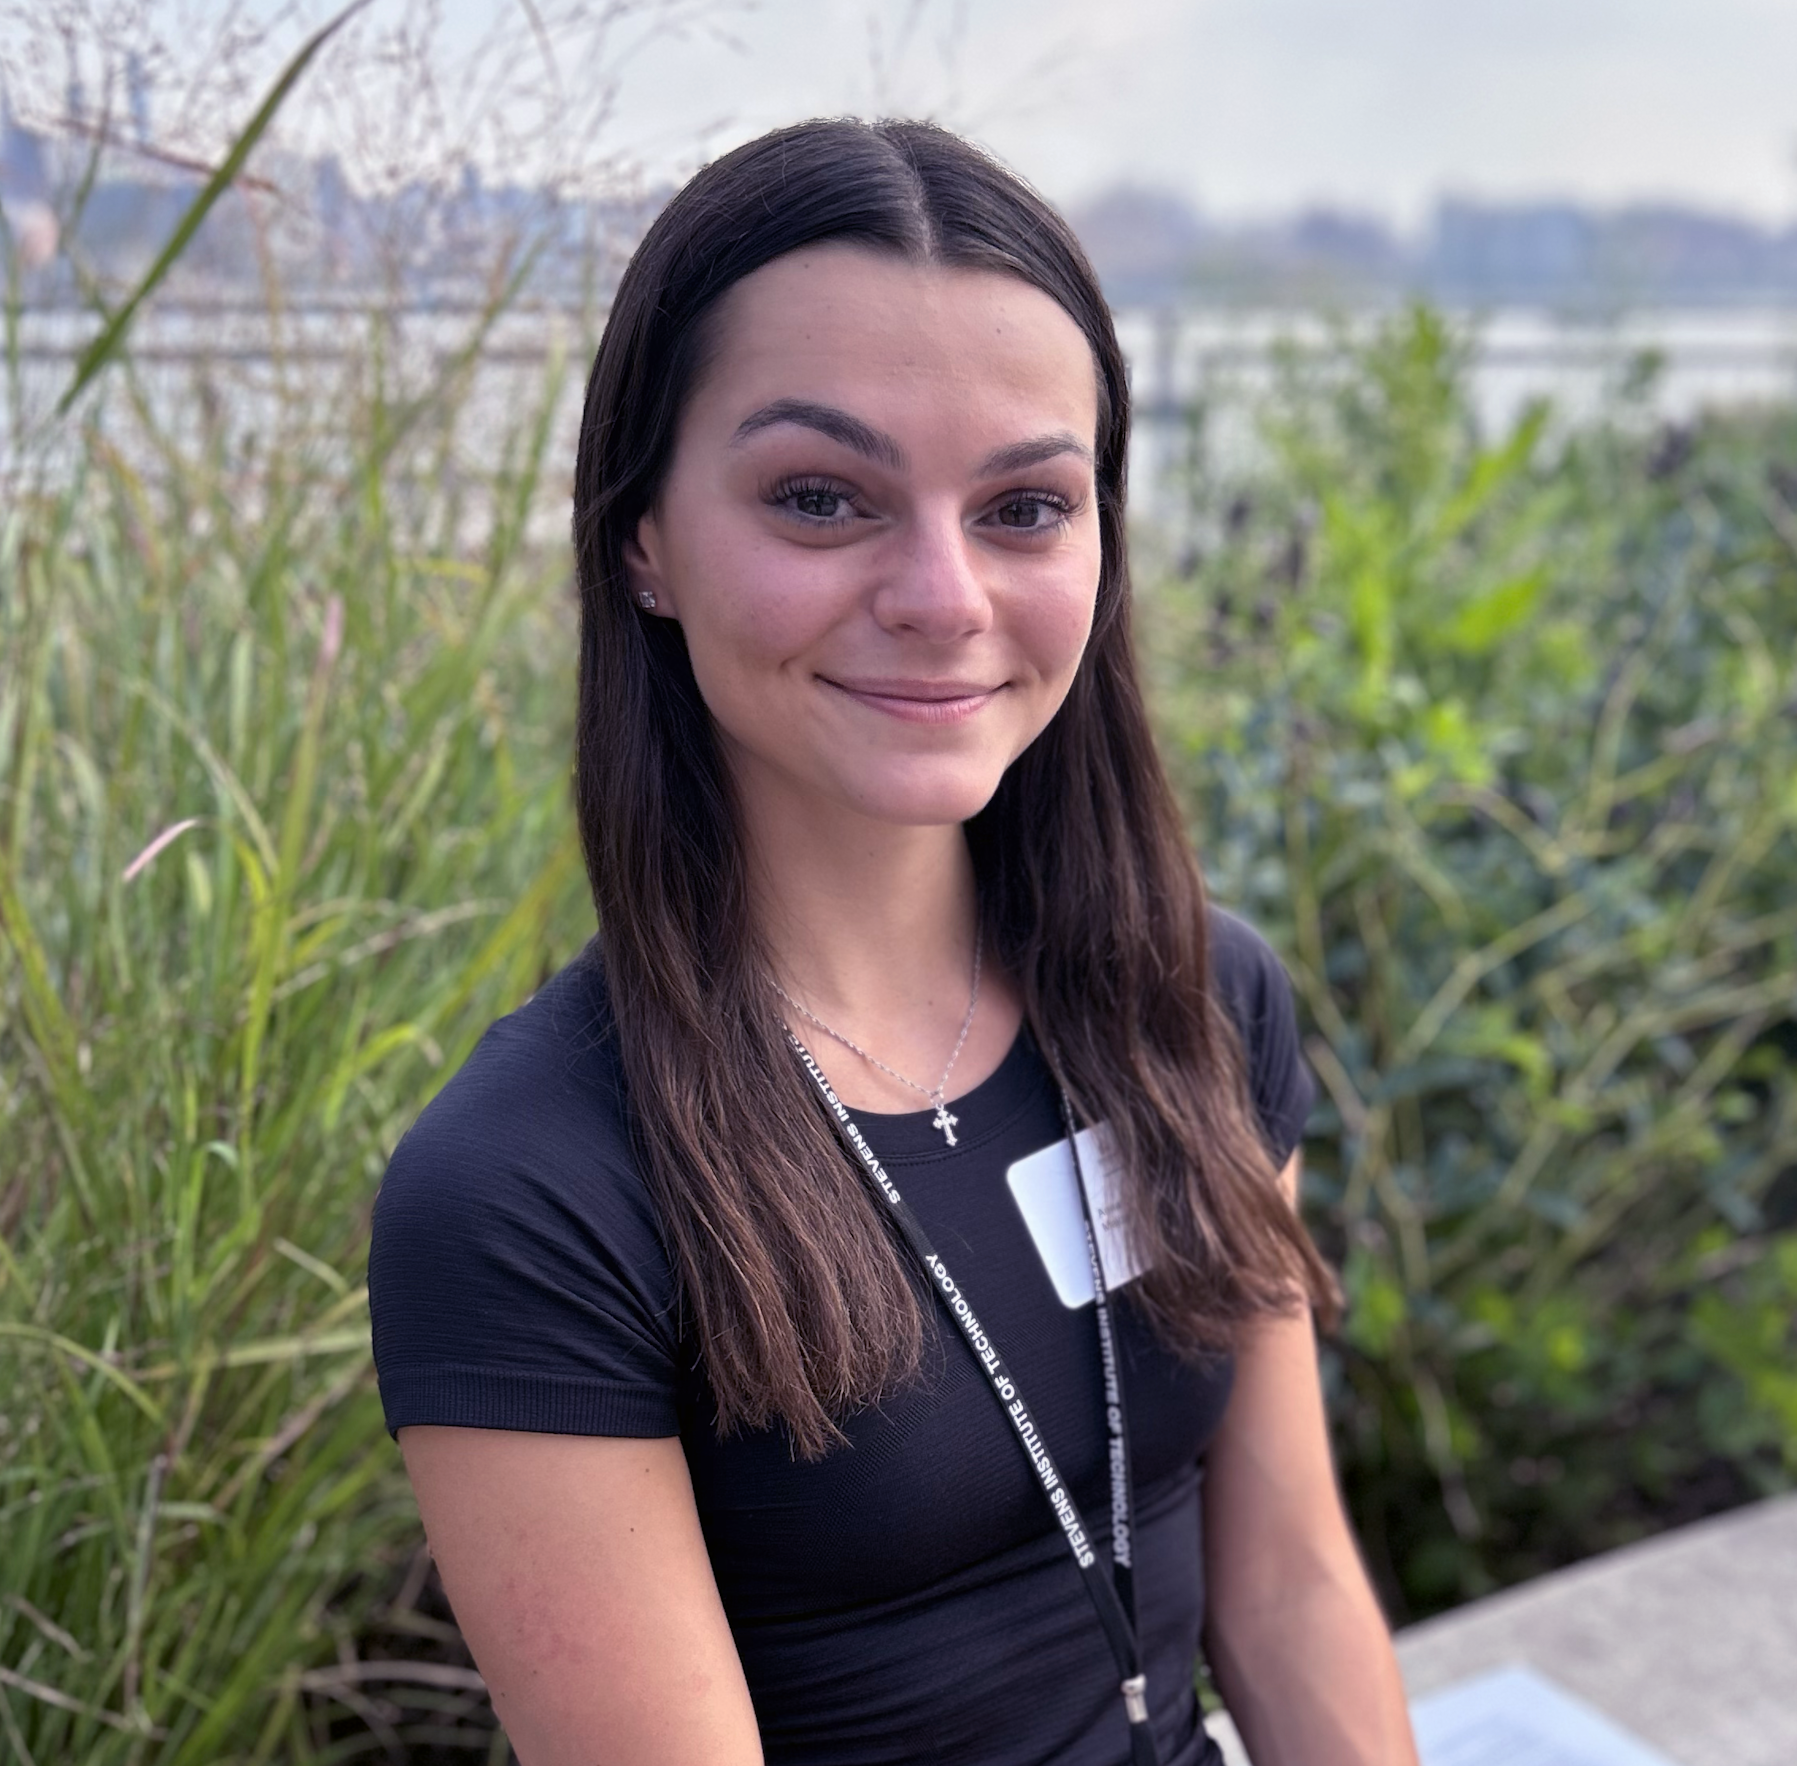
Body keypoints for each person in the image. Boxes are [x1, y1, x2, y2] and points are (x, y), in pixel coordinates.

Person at [367, 117, 1420, 1766]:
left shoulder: (1195, 998)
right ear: (642, 536)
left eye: (1023, 506)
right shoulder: (532, 1191)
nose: (942, 594)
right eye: (820, 498)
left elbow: (1288, 1590)